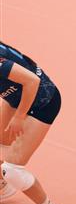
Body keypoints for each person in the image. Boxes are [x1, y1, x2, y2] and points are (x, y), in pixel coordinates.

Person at [0, 39, 61, 169]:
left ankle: (8, 175)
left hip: (43, 102)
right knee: (2, 142)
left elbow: (32, 81)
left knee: (12, 171)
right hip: (15, 94)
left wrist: (19, 116)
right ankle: (3, 178)